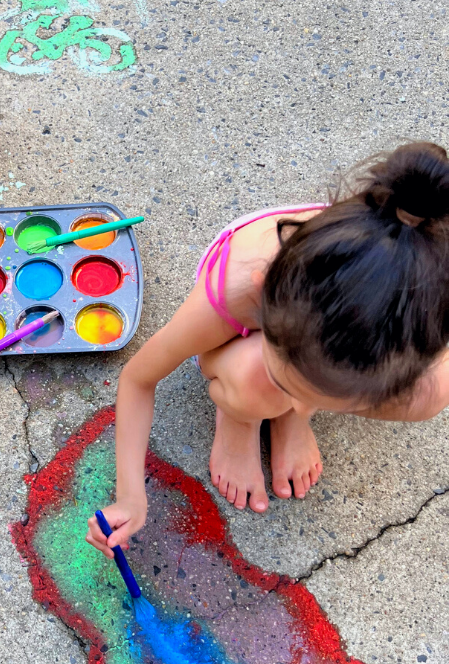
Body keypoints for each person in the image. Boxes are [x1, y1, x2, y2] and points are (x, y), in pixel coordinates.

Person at [86, 141, 449, 556]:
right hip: (273, 300)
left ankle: (291, 405)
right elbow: (137, 378)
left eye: (318, 401)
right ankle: (240, 419)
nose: (294, 403)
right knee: (254, 382)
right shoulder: (240, 289)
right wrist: (130, 496)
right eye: (292, 389)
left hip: (344, 311)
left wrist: (299, 398)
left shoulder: (430, 306)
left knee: (425, 398)